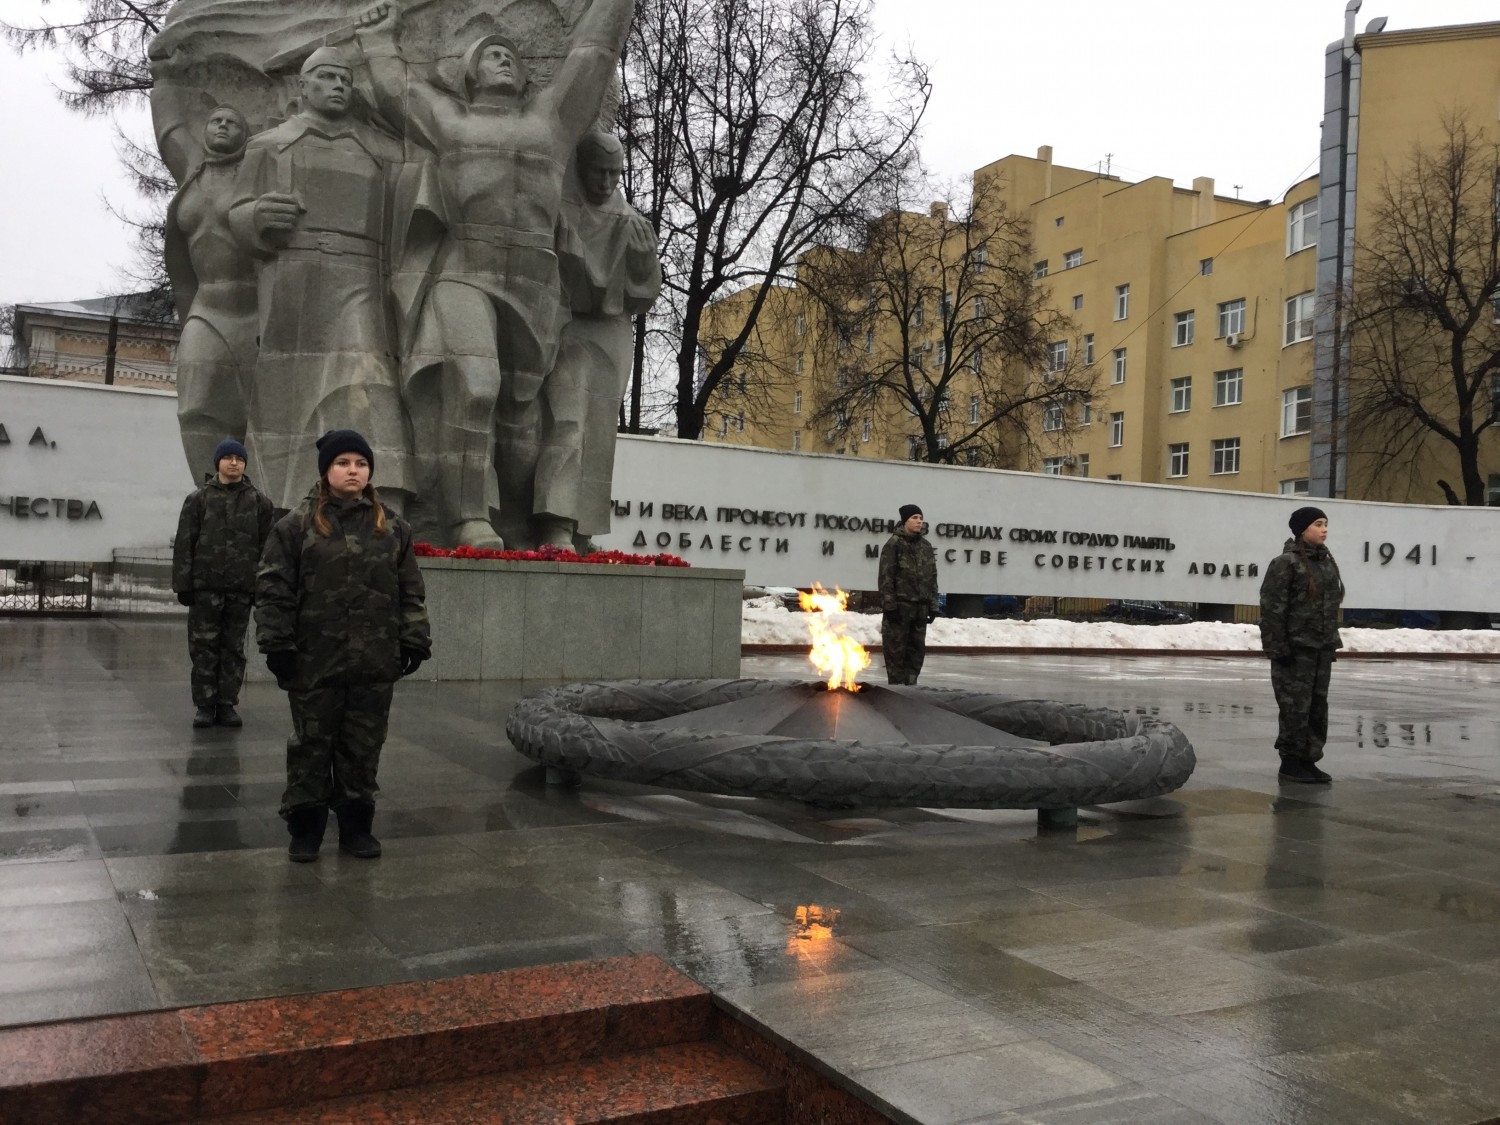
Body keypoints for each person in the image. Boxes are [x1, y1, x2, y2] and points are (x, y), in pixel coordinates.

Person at [355, 0, 635, 549]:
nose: (503, 62)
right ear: (468, 73)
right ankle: (468, 518)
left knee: (521, 426)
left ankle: (522, 516)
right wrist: (376, 38)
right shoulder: (451, 123)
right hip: (466, 273)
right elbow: (396, 90)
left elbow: (593, 54)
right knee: (476, 386)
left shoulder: (551, 122)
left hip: (534, 288)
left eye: (509, 56)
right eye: (491, 57)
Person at [228, 46, 440, 516]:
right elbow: (238, 216)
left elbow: (419, 182)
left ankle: (390, 497)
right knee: (285, 389)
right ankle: (281, 503)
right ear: (303, 87)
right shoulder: (270, 144)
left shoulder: (380, 150)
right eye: (326, 77)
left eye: (345, 78)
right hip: (294, 276)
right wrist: (258, 215)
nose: (338, 85)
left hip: (361, 275)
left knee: (371, 377)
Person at [254, 429, 431, 862]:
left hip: (373, 662)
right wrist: (277, 644)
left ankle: (356, 827)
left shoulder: (392, 526)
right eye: (343, 463)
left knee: (362, 747)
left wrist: (414, 639)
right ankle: (306, 828)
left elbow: (410, 590)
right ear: (326, 470)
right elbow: (274, 588)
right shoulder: (294, 526)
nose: (353, 471)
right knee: (312, 745)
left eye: (361, 464)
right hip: (314, 661)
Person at [162, 105, 259, 477]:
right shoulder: (192, 177)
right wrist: (166, 75)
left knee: (256, 413)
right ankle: (211, 498)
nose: (222, 126)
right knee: (194, 408)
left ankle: (257, 506)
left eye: (232, 122)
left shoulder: (255, 176)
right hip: (206, 308)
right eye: (216, 120)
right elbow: (169, 125)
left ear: (246, 133)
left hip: (254, 311)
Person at [171, 439, 276, 728]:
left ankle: (227, 703)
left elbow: (267, 549)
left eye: (238, 458)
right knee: (204, 647)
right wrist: (184, 584)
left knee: (233, 648)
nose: (233, 463)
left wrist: (261, 587)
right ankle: (204, 704)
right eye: (227, 457)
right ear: (217, 462)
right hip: (206, 588)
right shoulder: (198, 499)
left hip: (241, 589)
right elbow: (185, 543)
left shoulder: (259, 503)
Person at [1259, 506, 1344, 784]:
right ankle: (1291, 762)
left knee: (1317, 708)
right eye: (1318, 524)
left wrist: (1330, 642)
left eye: (1326, 524)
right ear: (1302, 529)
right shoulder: (1285, 563)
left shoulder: (1327, 562)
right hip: (1295, 651)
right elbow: (1272, 609)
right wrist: (1277, 648)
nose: (1324, 529)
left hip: (1321, 649)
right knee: (1295, 708)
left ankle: (1309, 759)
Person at [878, 504, 940, 685]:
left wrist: (933, 605)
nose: (919, 521)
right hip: (900, 608)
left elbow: (932, 578)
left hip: (920, 609)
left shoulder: (926, 546)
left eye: (921, 518)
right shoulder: (893, 545)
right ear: (905, 521)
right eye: (914, 518)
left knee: (916, 651)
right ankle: (896, 689)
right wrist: (890, 606)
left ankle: (911, 686)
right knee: (896, 652)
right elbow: (885, 578)